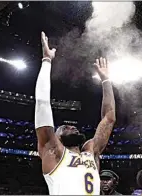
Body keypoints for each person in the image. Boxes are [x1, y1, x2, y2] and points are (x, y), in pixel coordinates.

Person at [35, 32, 116, 195]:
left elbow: (109, 118)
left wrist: (106, 81)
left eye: (72, 126)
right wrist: (46, 60)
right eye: (64, 127)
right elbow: (42, 104)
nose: (71, 126)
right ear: (55, 136)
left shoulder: (91, 152)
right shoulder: (53, 151)